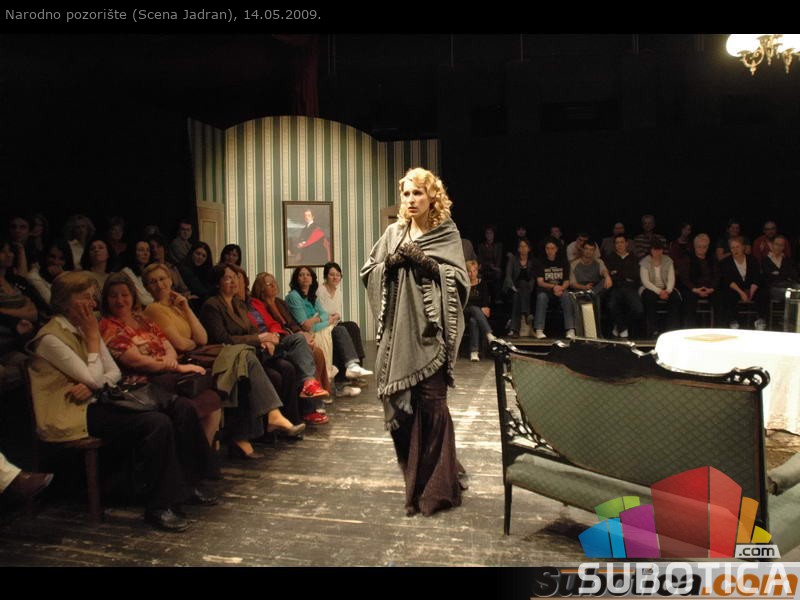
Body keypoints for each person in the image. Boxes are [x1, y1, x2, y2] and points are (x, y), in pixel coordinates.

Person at [27, 271, 209, 532]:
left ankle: (187, 485)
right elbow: (96, 376)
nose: (92, 304)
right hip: (72, 412)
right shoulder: (50, 338)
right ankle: (159, 505)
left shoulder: (85, 327)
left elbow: (111, 373)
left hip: (97, 399)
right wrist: (93, 347)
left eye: (92, 298)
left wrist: (92, 382)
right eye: (86, 298)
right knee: (156, 423)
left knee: (181, 407)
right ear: (66, 302)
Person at [361, 167, 469, 517]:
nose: (410, 199)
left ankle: (437, 489)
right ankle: (420, 481)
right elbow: (369, 271)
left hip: (431, 336)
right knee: (401, 412)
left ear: (432, 196)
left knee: (433, 409)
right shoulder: (393, 233)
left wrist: (427, 264)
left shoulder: (446, 232)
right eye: (406, 193)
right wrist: (390, 264)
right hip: (399, 336)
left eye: (417, 193)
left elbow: (460, 281)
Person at [98, 272, 223, 476]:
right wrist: (175, 367)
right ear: (106, 299)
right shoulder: (108, 325)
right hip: (141, 383)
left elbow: (168, 346)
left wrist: (170, 363)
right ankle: (197, 468)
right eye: (113, 296)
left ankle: (198, 465)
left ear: (133, 296)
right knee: (187, 406)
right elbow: (135, 360)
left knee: (212, 398)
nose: (120, 300)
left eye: (124, 295)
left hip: (166, 373)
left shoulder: (142, 319)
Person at [199, 263, 309, 442]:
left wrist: (264, 340)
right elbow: (223, 338)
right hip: (231, 357)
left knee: (287, 367)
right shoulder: (212, 305)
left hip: (253, 351)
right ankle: (269, 427)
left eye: (234, 278)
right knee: (275, 375)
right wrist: (259, 339)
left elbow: (252, 329)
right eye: (227, 278)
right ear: (217, 283)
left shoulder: (238, 304)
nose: (233, 282)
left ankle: (290, 423)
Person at [250, 272, 341, 408]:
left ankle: (319, 398)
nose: (274, 285)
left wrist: (302, 333)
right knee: (306, 346)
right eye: (269, 284)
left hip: (290, 336)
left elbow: (292, 323)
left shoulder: (280, 303)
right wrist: (300, 334)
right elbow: (268, 327)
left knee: (317, 352)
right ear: (260, 288)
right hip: (278, 340)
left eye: (274, 282)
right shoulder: (257, 304)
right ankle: (312, 403)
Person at [285, 266, 372, 385]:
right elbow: (307, 325)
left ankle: (353, 368)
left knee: (351, 327)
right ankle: (346, 373)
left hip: (323, 325)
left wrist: (319, 319)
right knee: (340, 330)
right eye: (301, 275)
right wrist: (324, 320)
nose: (305, 277)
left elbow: (324, 314)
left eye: (308, 275)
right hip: (308, 332)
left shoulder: (312, 296)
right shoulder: (295, 296)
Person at [717, 236, 765, 329]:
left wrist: (751, 292)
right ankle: (733, 321)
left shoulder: (752, 260)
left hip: (750, 287)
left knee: (763, 293)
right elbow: (727, 280)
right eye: (732, 248)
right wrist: (741, 292)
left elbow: (757, 276)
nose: (735, 250)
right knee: (727, 294)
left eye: (737, 247)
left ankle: (760, 319)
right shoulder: (725, 262)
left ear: (743, 247)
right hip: (736, 288)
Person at [533, 238, 574, 339]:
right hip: (545, 289)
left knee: (567, 296)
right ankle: (539, 329)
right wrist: (554, 287)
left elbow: (567, 281)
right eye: (547, 248)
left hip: (560, 289)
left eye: (552, 248)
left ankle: (570, 329)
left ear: (556, 249)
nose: (549, 250)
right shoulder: (540, 262)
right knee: (542, 297)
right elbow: (540, 282)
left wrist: (560, 288)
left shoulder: (563, 262)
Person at [639, 239, 682, 338]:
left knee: (675, 298)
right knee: (649, 298)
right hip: (650, 288)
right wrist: (659, 291)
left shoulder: (668, 260)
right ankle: (653, 330)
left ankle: (672, 329)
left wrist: (668, 290)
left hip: (666, 288)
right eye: (654, 250)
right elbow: (645, 281)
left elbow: (671, 278)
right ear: (651, 250)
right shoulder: (645, 262)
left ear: (662, 250)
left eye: (659, 250)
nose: (657, 252)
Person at [677, 233, 719, 329]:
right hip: (692, 288)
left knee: (719, 298)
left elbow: (717, 275)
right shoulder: (687, 257)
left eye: (704, 247)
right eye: (699, 247)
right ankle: (690, 328)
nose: (701, 249)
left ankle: (718, 327)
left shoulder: (712, 257)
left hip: (709, 288)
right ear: (694, 246)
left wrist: (712, 288)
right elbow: (684, 277)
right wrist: (694, 289)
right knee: (689, 298)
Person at [605, 234, 643, 338]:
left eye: (622, 242)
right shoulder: (610, 258)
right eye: (617, 243)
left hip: (631, 288)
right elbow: (610, 275)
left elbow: (635, 276)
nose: (619, 245)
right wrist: (624, 276)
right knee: (611, 305)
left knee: (638, 309)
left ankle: (620, 325)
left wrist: (618, 273)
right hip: (616, 287)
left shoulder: (634, 258)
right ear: (614, 245)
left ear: (626, 243)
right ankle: (622, 327)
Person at [502, 238, 536, 337]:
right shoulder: (513, 259)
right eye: (521, 246)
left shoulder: (532, 261)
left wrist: (529, 289)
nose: (523, 248)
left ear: (529, 249)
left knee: (518, 296)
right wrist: (514, 288)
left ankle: (515, 330)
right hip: (512, 287)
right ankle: (526, 313)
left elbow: (533, 278)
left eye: (525, 246)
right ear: (518, 249)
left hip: (527, 290)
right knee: (521, 285)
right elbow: (508, 276)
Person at [464, 260, 495, 361]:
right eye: (469, 271)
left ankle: (474, 352)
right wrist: (480, 307)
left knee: (474, 321)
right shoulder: (464, 284)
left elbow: (485, 300)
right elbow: (464, 302)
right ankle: (489, 334)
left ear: (477, 271)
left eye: (474, 271)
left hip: (478, 314)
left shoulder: (482, 284)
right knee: (473, 308)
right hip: (466, 312)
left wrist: (484, 307)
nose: (472, 274)